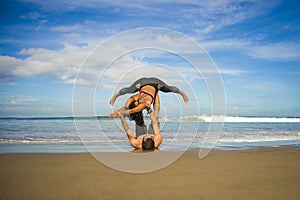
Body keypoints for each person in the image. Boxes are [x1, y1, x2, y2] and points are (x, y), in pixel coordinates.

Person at [109, 77, 188, 117]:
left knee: (169, 89)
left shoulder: (139, 102)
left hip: (145, 83)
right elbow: (127, 107)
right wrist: (118, 112)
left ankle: (182, 93)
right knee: (130, 90)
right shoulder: (134, 98)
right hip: (149, 83)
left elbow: (131, 110)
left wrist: (118, 112)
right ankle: (115, 96)